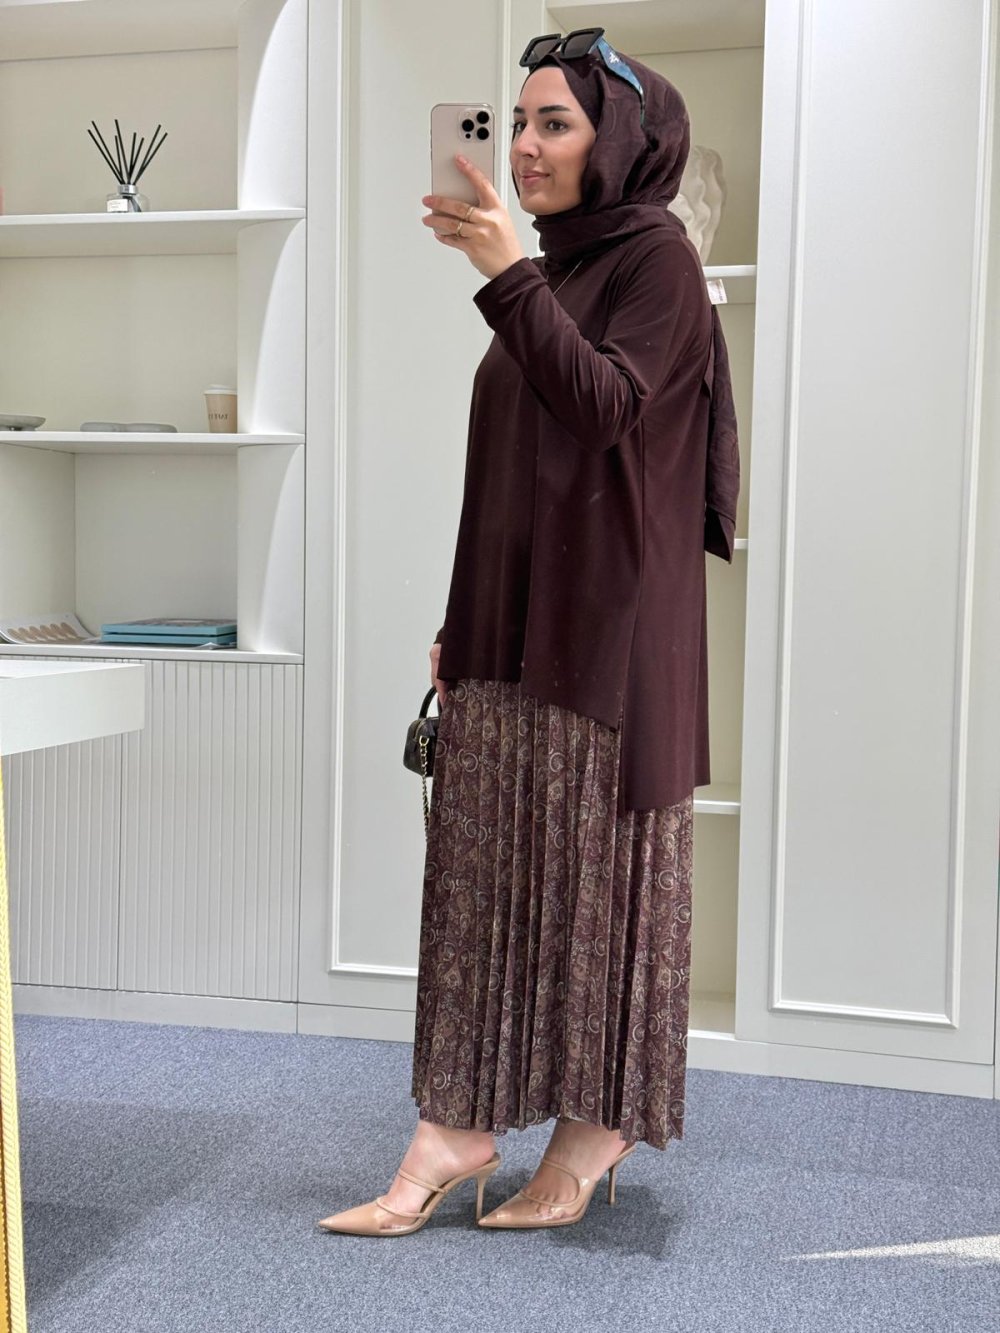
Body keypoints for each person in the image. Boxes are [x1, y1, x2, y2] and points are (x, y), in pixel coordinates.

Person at [319, 29, 739, 1237]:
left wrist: (505, 271)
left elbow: (605, 411)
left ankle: (592, 1129)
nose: (522, 147)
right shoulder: (552, 273)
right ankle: (454, 1127)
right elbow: (515, 478)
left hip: (609, 648)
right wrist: (461, 622)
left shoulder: (655, 262)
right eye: (516, 123)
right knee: (483, 885)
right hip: (511, 631)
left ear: (623, 140)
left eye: (554, 122)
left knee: (594, 895)